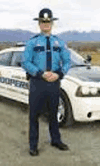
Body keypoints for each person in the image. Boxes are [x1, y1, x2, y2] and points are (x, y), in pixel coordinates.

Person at [22, 8, 71, 156]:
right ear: (39, 23)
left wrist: (59, 74)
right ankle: (33, 145)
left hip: (54, 83)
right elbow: (25, 62)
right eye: (42, 22)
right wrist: (40, 73)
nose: (45, 24)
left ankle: (55, 140)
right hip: (38, 83)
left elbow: (67, 61)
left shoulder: (59, 42)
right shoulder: (33, 42)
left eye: (48, 21)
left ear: (52, 23)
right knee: (34, 115)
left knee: (53, 113)